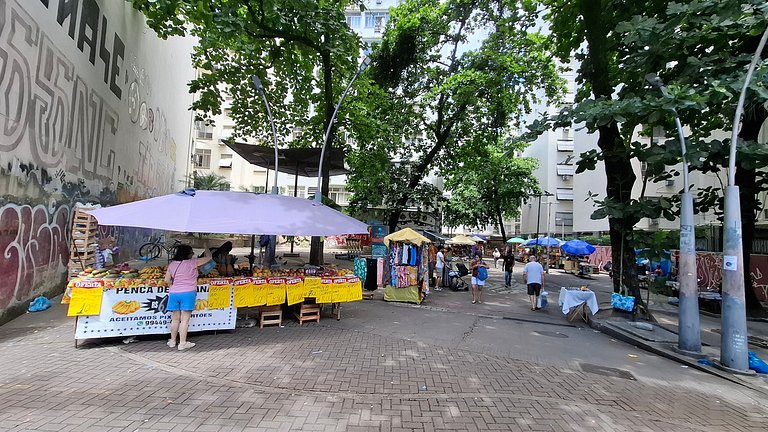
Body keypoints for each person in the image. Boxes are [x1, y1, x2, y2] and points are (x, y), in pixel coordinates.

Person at [164, 243, 213, 351]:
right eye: (192, 252)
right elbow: (209, 257)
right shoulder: (192, 263)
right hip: (188, 293)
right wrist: (205, 245)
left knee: (175, 318)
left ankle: (172, 341)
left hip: (174, 293)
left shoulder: (172, 264)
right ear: (188, 254)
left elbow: (166, 280)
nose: (193, 254)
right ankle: (182, 343)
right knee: (185, 320)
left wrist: (174, 285)